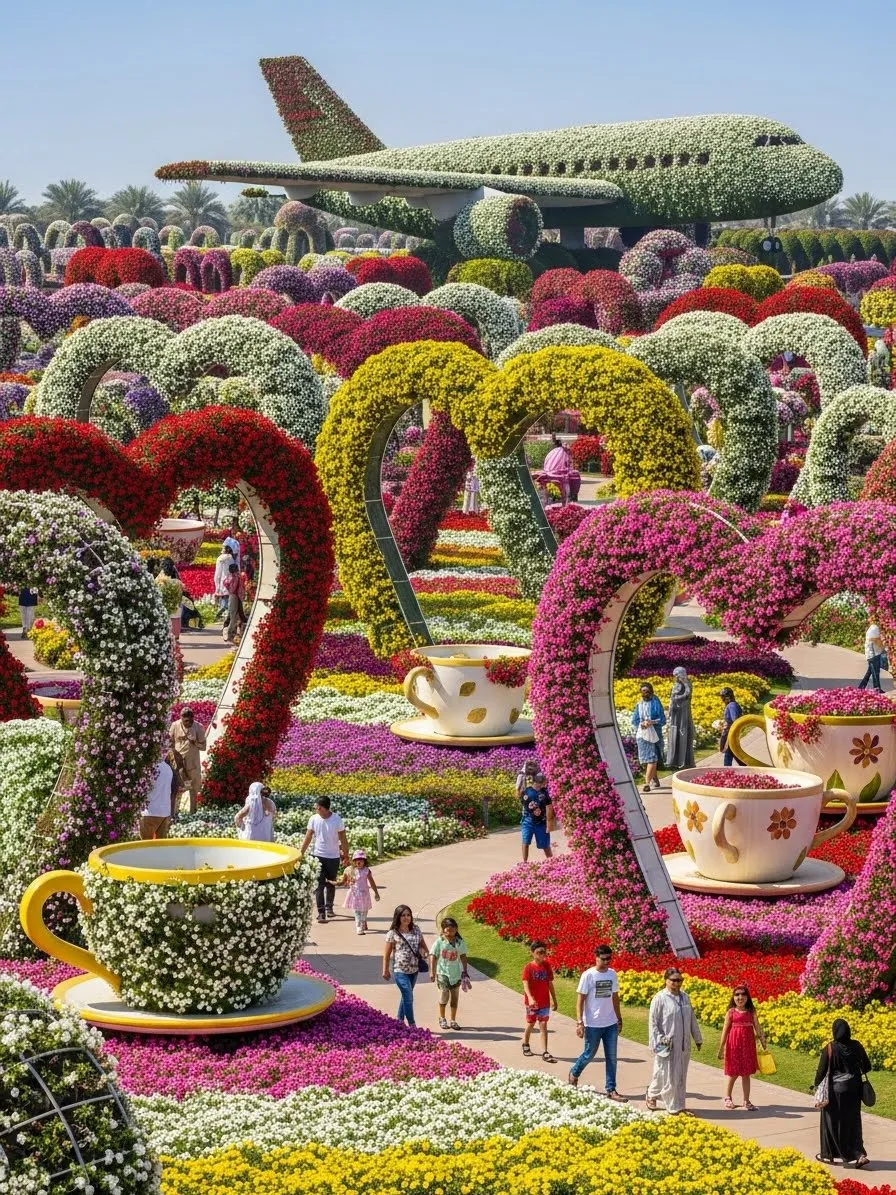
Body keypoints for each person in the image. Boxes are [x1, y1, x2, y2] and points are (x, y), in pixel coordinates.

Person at [568, 944, 627, 1098]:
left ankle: (611, 1089)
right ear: (596, 958)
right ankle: (574, 1072)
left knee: (612, 1057)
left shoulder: (612, 974)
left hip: (610, 1023)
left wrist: (619, 1018)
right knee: (589, 1054)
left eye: (609, 959)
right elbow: (580, 1000)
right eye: (604, 959)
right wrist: (579, 1022)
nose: (607, 962)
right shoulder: (588, 975)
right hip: (593, 1024)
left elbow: (615, 997)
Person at [814, 1018, 872, 1168]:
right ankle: (859, 1154)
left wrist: (816, 1087)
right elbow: (867, 1066)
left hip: (836, 1092)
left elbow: (821, 1072)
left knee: (832, 1123)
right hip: (854, 1091)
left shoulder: (830, 1048)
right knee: (853, 1123)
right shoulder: (857, 1046)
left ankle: (830, 1154)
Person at [646, 967, 702, 1114]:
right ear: (666, 980)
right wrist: (658, 1042)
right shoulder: (659, 998)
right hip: (666, 1043)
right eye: (674, 980)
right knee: (668, 1075)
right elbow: (653, 1023)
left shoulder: (685, 997)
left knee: (680, 1075)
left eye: (680, 980)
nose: (677, 984)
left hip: (683, 1044)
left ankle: (663, 1098)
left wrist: (697, 1037)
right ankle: (674, 1107)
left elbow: (692, 1019)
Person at [299, 796, 350, 923]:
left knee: (331, 883)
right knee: (319, 885)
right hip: (317, 856)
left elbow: (343, 838)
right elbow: (308, 836)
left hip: (333, 856)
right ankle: (321, 912)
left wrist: (346, 855)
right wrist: (301, 853)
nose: (316, 808)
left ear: (325, 808)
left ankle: (329, 908)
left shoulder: (337, 819)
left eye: (318, 807)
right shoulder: (314, 819)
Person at [718, 985, 767, 1110]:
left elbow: (757, 1027)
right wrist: (721, 1047)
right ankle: (727, 1097)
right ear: (733, 997)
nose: (740, 997)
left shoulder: (751, 1012)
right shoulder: (731, 1012)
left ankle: (746, 1100)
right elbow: (725, 1031)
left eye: (743, 994)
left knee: (746, 1074)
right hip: (734, 1045)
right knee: (733, 1073)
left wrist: (762, 1040)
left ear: (747, 997)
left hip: (748, 1046)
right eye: (737, 995)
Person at [383, 904, 429, 1026]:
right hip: (400, 971)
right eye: (403, 915)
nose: (406, 918)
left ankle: (399, 1020)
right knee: (409, 997)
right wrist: (385, 970)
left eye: (408, 915)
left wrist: (424, 953)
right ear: (398, 917)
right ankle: (412, 1024)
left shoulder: (416, 929)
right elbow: (387, 955)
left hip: (414, 970)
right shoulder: (392, 933)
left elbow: (423, 946)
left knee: (406, 996)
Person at [430, 916, 470, 1030]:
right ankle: (442, 1018)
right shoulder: (439, 942)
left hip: (455, 974)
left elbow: (463, 956)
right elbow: (432, 955)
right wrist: (432, 972)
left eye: (452, 929)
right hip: (442, 973)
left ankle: (453, 1020)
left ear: (456, 930)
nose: (450, 932)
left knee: (454, 998)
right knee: (444, 996)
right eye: (447, 930)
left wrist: (465, 971)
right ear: (443, 930)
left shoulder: (459, 942)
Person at [521, 940, 558, 1063]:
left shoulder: (547, 966)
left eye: (543, 952)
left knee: (543, 1025)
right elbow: (525, 984)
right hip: (532, 1003)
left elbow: (549, 983)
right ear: (532, 953)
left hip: (544, 1002)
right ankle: (525, 1043)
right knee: (531, 1023)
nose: (542, 955)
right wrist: (530, 998)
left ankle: (545, 1052)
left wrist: (554, 999)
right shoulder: (529, 967)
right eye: (539, 952)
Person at [169, 707, 207, 815]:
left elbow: (203, 746)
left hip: (193, 764)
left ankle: (193, 813)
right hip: (178, 764)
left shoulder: (198, 727)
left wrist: (194, 742)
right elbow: (169, 743)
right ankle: (174, 814)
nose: (188, 723)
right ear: (181, 718)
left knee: (193, 789)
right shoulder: (175, 726)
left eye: (190, 720)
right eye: (186, 721)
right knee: (176, 788)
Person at [632, 682, 666, 793]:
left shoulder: (656, 703)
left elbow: (662, 718)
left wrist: (652, 722)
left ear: (651, 691)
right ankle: (652, 779)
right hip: (643, 734)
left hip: (655, 733)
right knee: (650, 758)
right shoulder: (639, 705)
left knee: (654, 756)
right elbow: (635, 720)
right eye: (643, 691)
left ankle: (648, 782)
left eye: (647, 691)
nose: (645, 693)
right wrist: (641, 724)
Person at [341, 848, 380, 934]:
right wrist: (347, 882)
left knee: (364, 910)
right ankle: (359, 926)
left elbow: (372, 882)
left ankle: (363, 921)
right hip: (355, 895)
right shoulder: (352, 870)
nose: (358, 862)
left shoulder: (367, 871)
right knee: (357, 911)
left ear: (364, 861)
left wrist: (376, 893)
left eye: (361, 860)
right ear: (354, 862)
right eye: (356, 860)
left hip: (364, 894)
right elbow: (347, 879)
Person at [666, 667, 695, 771]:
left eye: (677, 675)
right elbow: (672, 697)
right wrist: (670, 706)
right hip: (675, 714)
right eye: (675, 675)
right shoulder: (676, 684)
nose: (676, 677)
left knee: (683, 734)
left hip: (683, 714)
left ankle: (684, 761)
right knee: (674, 735)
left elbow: (687, 694)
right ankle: (673, 760)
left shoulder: (687, 684)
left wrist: (684, 682)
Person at [139, 757, 176, 840]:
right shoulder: (167, 768)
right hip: (164, 811)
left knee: (145, 845)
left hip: (150, 811)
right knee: (160, 845)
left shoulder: (150, 767)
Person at [520, 773, 553, 862]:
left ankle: (552, 862)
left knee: (545, 845)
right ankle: (524, 862)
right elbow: (525, 805)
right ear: (540, 783)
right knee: (525, 841)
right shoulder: (527, 792)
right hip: (528, 822)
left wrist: (549, 824)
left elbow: (549, 807)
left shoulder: (544, 792)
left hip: (541, 823)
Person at [542, 437, 572, 505]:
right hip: (558, 473)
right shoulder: (563, 452)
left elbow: (546, 463)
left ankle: (545, 501)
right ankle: (564, 503)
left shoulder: (552, 452)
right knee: (564, 485)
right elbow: (568, 463)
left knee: (545, 485)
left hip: (548, 472)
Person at [222, 562, 247, 645]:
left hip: (234, 596)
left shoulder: (233, 577)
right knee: (234, 615)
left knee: (233, 614)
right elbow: (234, 588)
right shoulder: (237, 577)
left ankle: (230, 632)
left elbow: (229, 586)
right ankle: (230, 632)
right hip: (236, 596)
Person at [718, 687, 743, 767]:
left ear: (728, 696)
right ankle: (745, 767)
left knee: (728, 754)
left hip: (731, 732)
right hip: (731, 731)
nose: (722, 699)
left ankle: (726, 771)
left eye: (723, 696)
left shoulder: (732, 706)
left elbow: (735, 720)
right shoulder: (732, 705)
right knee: (734, 753)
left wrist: (726, 725)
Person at [858, 620, 885, 692]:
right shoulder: (874, 628)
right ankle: (877, 689)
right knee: (875, 672)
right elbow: (876, 640)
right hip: (874, 654)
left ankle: (861, 687)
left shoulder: (872, 628)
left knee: (870, 672)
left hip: (871, 654)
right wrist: (883, 648)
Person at [213, 545, 235, 615]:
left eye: (223, 548)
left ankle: (222, 612)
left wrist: (216, 582)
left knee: (224, 597)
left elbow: (218, 572)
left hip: (223, 580)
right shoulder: (231, 558)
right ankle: (227, 612)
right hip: (230, 580)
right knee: (228, 597)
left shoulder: (220, 558)